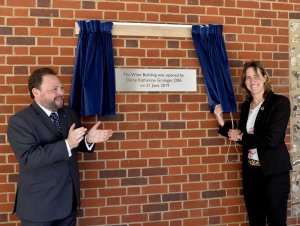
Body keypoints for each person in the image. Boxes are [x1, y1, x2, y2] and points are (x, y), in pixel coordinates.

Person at [7, 67, 113, 226]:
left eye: (62, 88)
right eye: (54, 89)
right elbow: (29, 158)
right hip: (39, 207)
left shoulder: (69, 114)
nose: (61, 92)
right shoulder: (20, 121)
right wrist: (67, 143)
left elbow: (76, 145)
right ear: (36, 92)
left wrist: (88, 140)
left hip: (68, 202)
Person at [214, 60, 291, 226]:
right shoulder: (246, 106)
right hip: (252, 173)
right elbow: (242, 137)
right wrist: (222, 123)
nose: (252, 81)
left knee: (276, 221)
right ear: (245, 82)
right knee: (255, 221)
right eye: (247, 78)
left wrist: (240, 137)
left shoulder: (279, 103)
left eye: (256, 76)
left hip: (273, 173)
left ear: (264, 77)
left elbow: (271, 139)